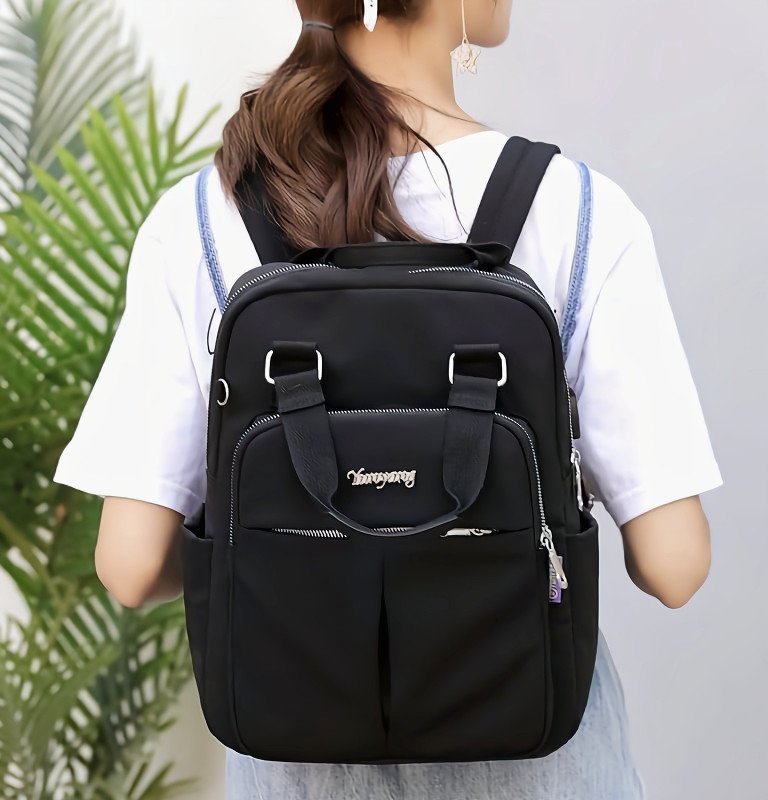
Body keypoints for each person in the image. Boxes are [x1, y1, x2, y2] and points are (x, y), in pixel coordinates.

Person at [52, 1, 723, 797]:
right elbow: (674, 565)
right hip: (539, 761)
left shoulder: (202, 216)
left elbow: (132, 566)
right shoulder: (580, 211)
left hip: (296, 766)